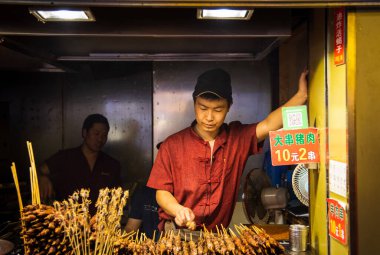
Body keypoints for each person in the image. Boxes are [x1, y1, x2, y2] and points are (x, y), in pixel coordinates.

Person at [147, 68, 308, 231]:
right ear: (194, 103)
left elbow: (269, 124)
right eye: (203, 108)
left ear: (229, 107)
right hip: (177, 233)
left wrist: (301, 96)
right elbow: (161, 193)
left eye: (218, 110)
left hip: (216, 237)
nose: (209, 117)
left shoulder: (237, 139)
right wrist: (178, 210)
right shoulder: (172, 145)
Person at [38, 113, 121, 214]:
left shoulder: (112, 165)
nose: (100, 139)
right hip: (67, 223)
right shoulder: (65, 157)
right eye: (96, 133)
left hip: (99, 224)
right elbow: (38, 170)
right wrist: (42, 177)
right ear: (84, 133)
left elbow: (117, 197)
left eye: (104, 135)